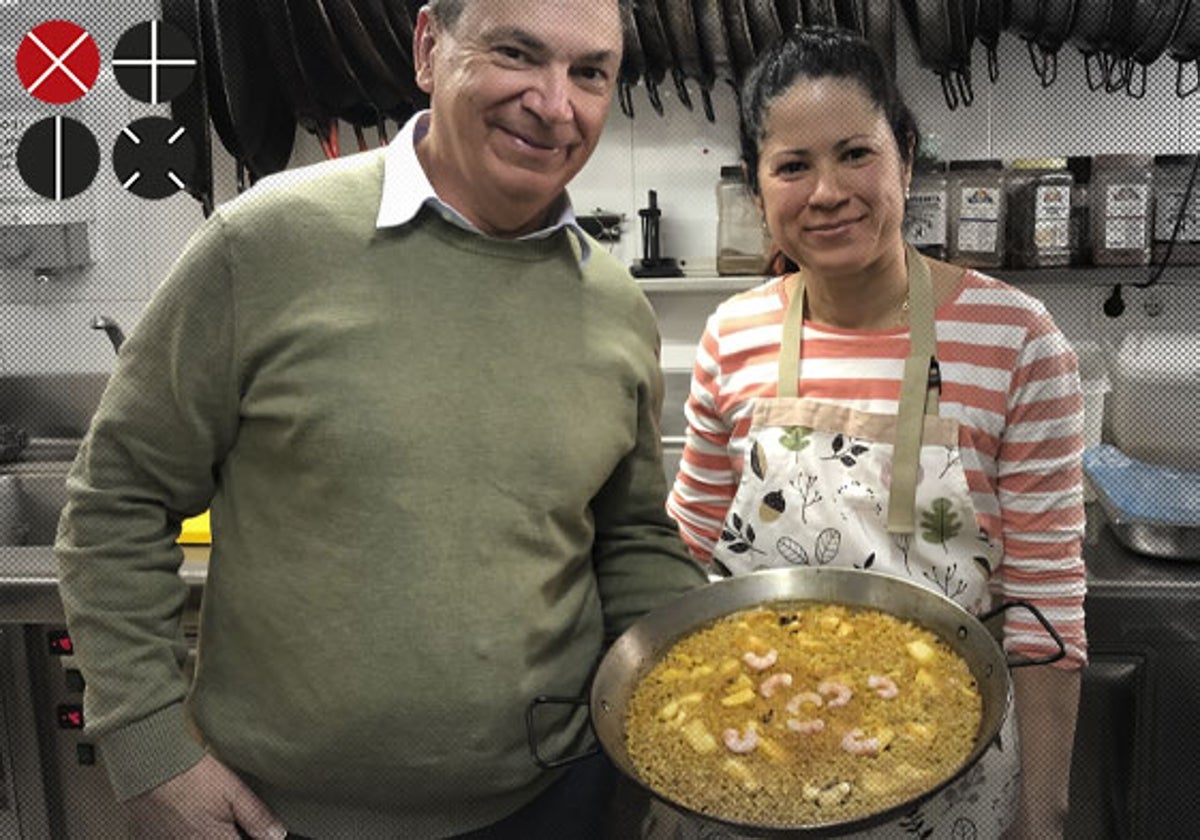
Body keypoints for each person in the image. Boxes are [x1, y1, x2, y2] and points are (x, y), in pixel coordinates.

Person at [54, 1, 707, 837]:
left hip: (555, 801)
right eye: (517, 54)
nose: (554, 103)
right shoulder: (263, 245)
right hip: (284, 816)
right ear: (430, 48)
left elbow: (630, 542)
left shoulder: (616, 309)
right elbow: (118, 499)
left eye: (590, 72)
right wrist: (151, 750)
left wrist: (696, 707)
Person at [665, 27, 1086, 840]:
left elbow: (1045, 606)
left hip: (944, 777)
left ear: (907, 156)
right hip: (746, 781)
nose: (826, 192)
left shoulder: (1016, 339)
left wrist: (1046, 818)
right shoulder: (733, 335)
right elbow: (692, 548)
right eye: (792, 166)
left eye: (855, 153)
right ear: (759, 189)